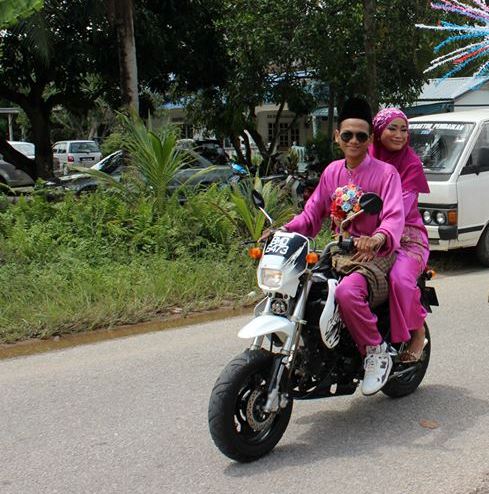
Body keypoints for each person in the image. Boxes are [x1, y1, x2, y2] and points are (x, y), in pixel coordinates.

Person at [280, 97, 405, 395]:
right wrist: (284, 229)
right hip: (340, 250)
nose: (353, 141)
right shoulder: (332, 172)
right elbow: (312, 213)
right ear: (337, 136)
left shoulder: (386, 174)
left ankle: (377, 353)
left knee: (348, 293)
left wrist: (377, 238)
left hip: (375, 253)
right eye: (347, 135)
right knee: (303, 288)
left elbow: (394, 217)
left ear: (370, 139)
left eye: (361, 136)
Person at [370, 108, 430, 362]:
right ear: (377, 131)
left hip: (407, 237)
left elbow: (400, 208)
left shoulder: (411, 164)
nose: (399, 134)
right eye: (392, 128)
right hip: (366, 235)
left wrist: (375, 231)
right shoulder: (366, 159)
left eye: (403, 129)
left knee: (399, 279)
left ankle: (417, 334)